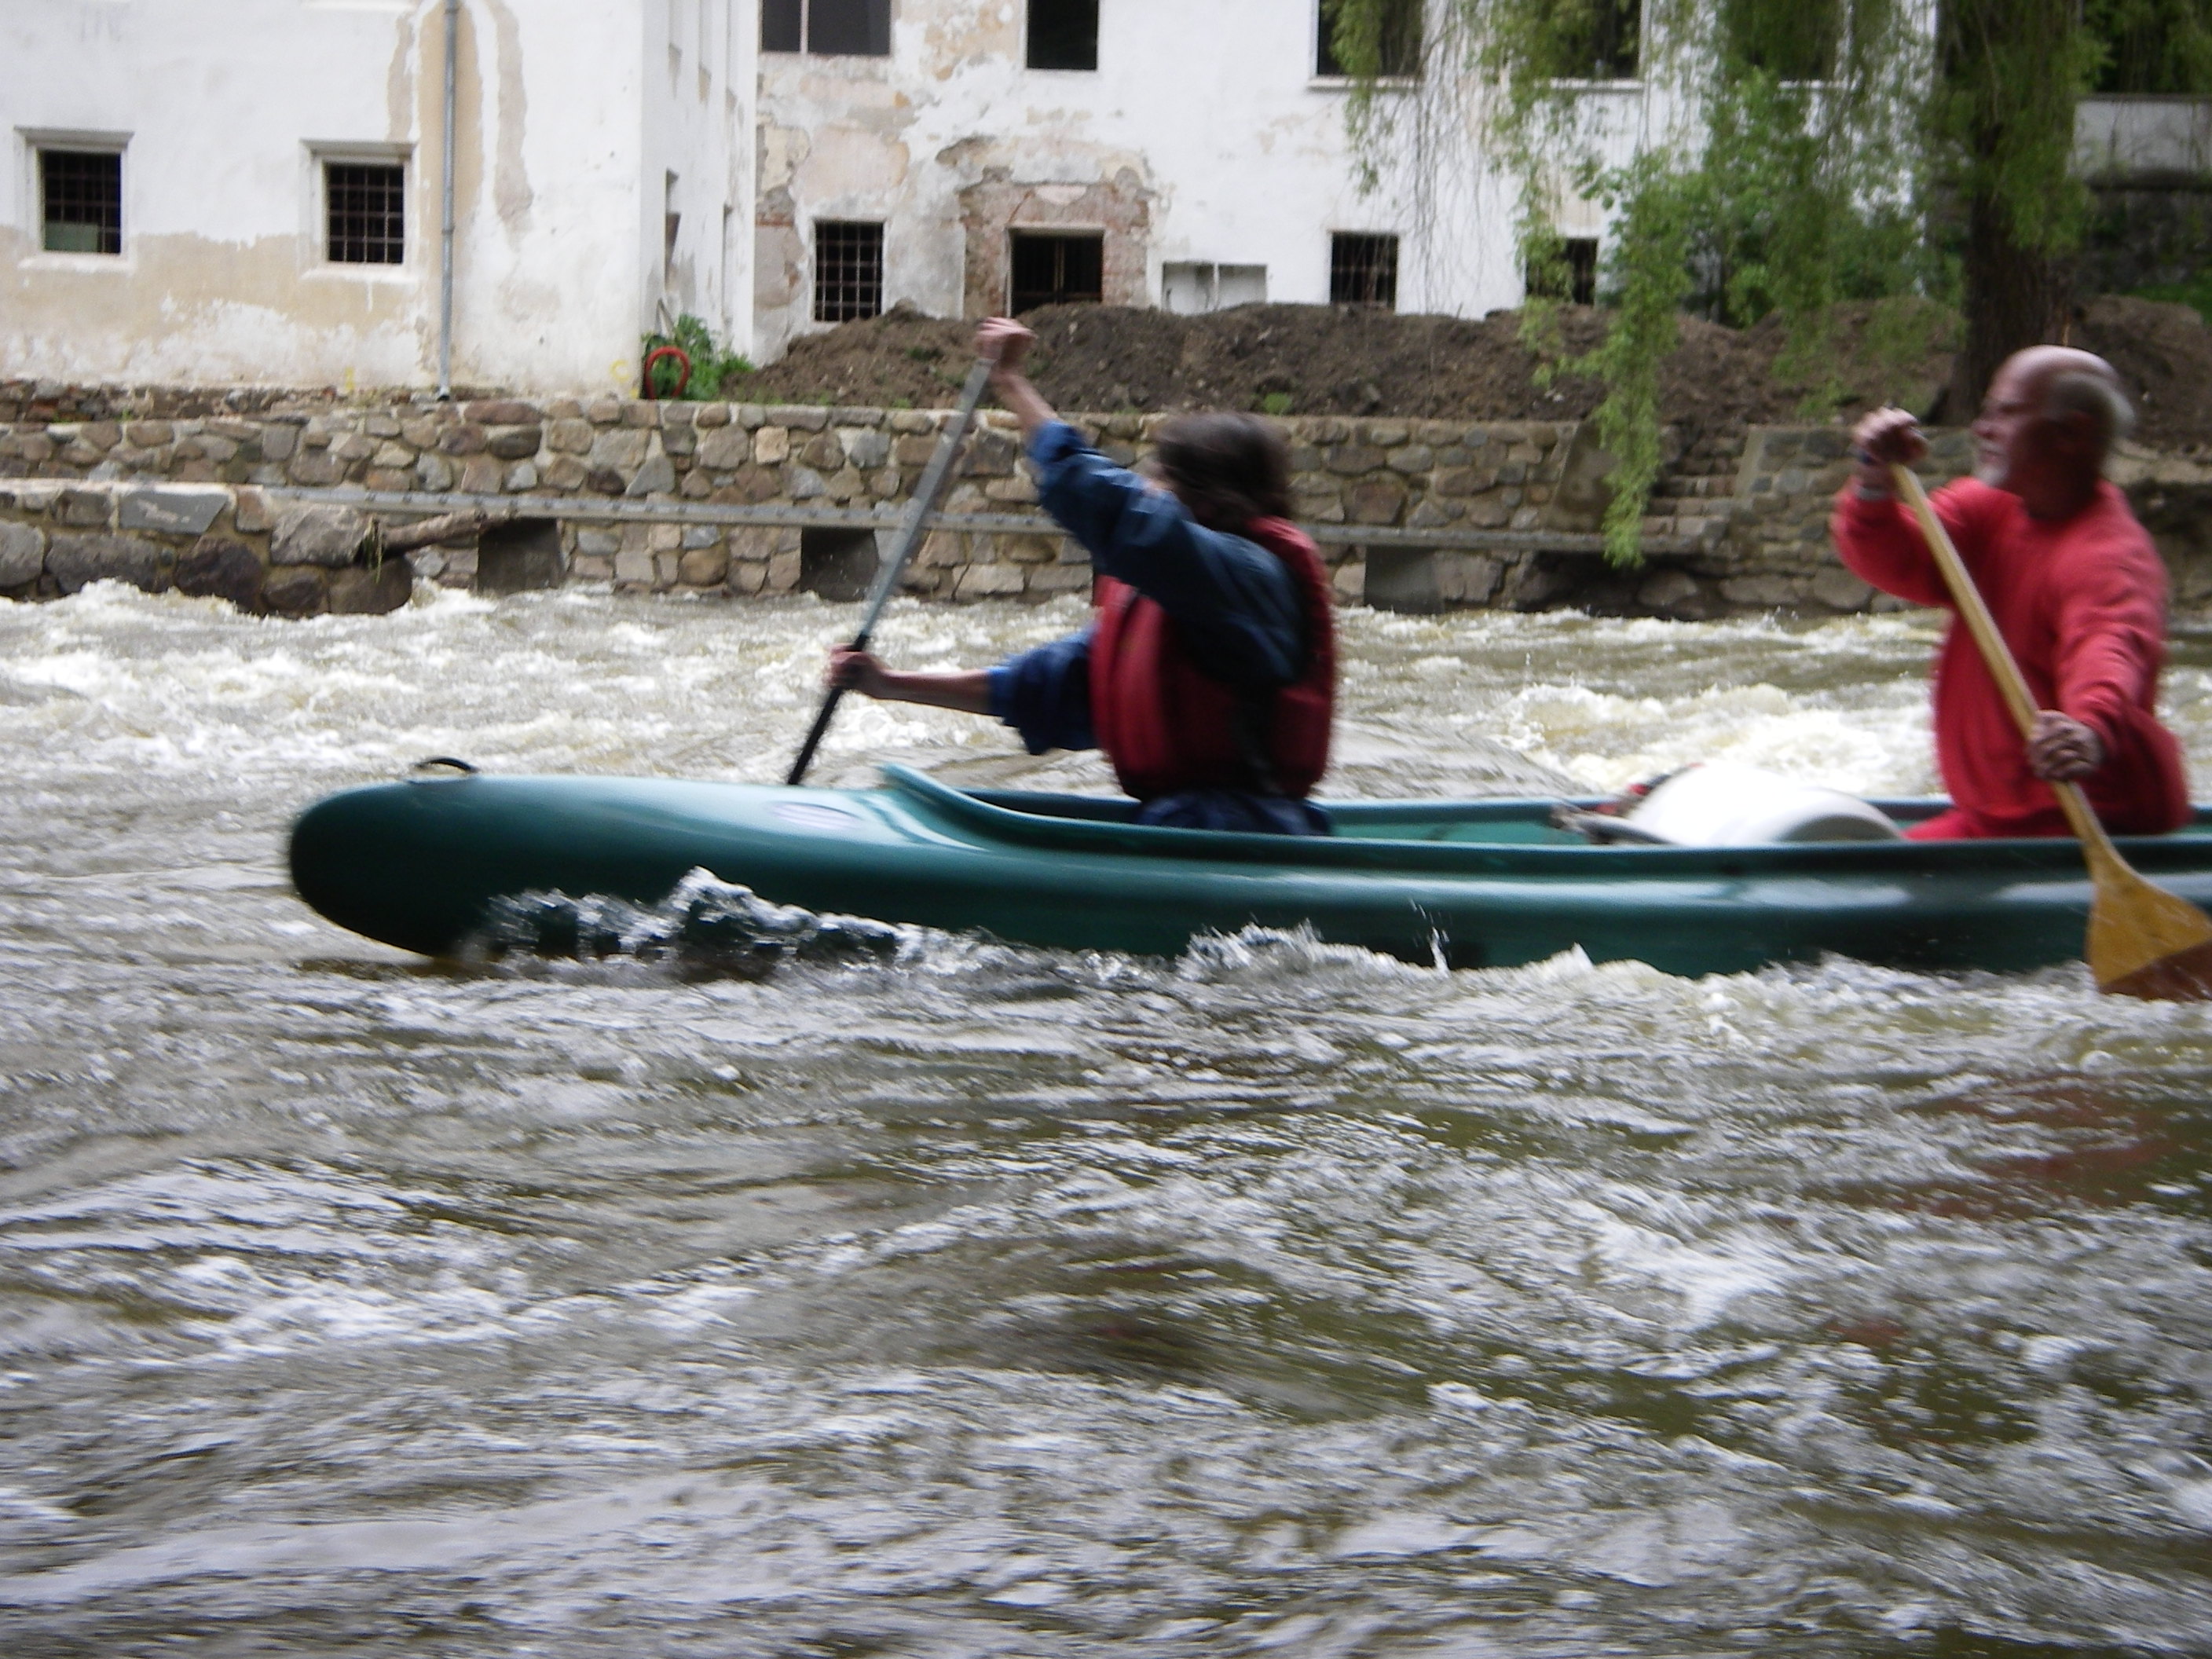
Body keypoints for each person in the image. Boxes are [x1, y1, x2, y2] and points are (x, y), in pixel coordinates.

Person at [826, 317, 1337, 835]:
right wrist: (889, 683)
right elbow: (1038, 687)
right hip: (1176, 826)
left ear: (1208, 499)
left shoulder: (1250, 580)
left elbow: (1127, 515)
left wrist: (1013, 385)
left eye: (1160, 478)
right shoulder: (1176, 604)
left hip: (1245, 834)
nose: (1148, 486)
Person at [1832, 345, 2189, 840]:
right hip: (2000, 817)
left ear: (2072, 432)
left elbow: (2109, 648)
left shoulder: (2109, 556)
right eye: (1986, 412)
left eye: (2006, 413)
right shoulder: (1989, 508)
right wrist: (1874, 480)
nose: (1982, 429)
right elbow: (1898, 560)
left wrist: (2088, 729)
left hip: (2082, 822)